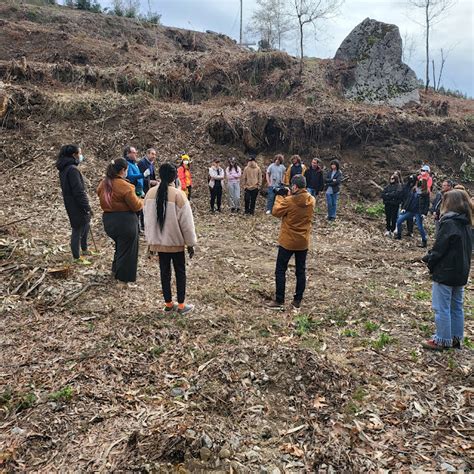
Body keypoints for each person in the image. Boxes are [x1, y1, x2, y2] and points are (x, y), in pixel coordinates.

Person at [421, 190, 472, 350]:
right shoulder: (467, 223)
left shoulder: (449, 223)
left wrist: (430, 261)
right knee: (456, 306)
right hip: (461, 271)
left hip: (445, 271)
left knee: (441, 307)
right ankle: (456, 338)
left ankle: (442, 339)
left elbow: (439, 248)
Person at [144, 163, 197, 315]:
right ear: (175, 177)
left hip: (159, 243)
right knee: (180, 273)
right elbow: (187, 223)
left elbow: (147, 221)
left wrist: (150, 241)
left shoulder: (150, 194)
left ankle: (168, 304)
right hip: (176, 243)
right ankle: (181, 306)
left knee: (164, 273)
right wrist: (190, 243)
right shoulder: (179, 195)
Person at [268, 175, 316, 309]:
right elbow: (300, 202)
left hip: (288, 241)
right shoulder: (312, 200)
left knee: (280, 270)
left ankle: (279, 300)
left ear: (295, 187)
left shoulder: (288, 201)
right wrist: (290, 195)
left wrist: (280, 196)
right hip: (303, 241)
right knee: (300, 271)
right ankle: (297, 300)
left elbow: (276, 212)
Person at [97, 158, 143, 283]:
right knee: (128, 252)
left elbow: (99, 193)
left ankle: (115, 270)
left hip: (109, 220)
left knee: (120, 247)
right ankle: (123, 278)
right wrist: (142, 200)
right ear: (123, 170)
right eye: (127, 170)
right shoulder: (125, 186)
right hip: (125, 222)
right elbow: (136, 205)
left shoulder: (104, 183)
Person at [56, 144, 93, 265]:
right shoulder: (72, 169)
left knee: (86, 224)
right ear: (74, 155)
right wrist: (86, 206)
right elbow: (78, 191)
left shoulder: (66, 167)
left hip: (71, 201)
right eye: (79, 153)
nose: (81, 156)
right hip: (75, 203)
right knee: (77, 228)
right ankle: (76, 256)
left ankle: (85, 249)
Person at [395, 178, 429, 247]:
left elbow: (426, 204)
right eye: (419, 182)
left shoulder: (425, 193)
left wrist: (424, 213)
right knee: (399, 221)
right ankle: (399, 235)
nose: (419, 183)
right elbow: (409, 199)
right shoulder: (414, 190)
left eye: (421, 182)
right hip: (410, 210)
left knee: (420, 226)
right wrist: (404, 208)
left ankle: (424, 240)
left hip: (418, 212)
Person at [138, 148, 158, 231]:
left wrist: (156, 181)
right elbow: (140, 177)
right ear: (148, 154)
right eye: (152, 154)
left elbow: (152, 176)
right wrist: (151, 182)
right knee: (144, 207)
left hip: (150, 189)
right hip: (144, 188)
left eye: (155, 154)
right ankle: (143, 225)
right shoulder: (142, 163)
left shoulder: (151, 163)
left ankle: (148, 223)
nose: (154, 156)